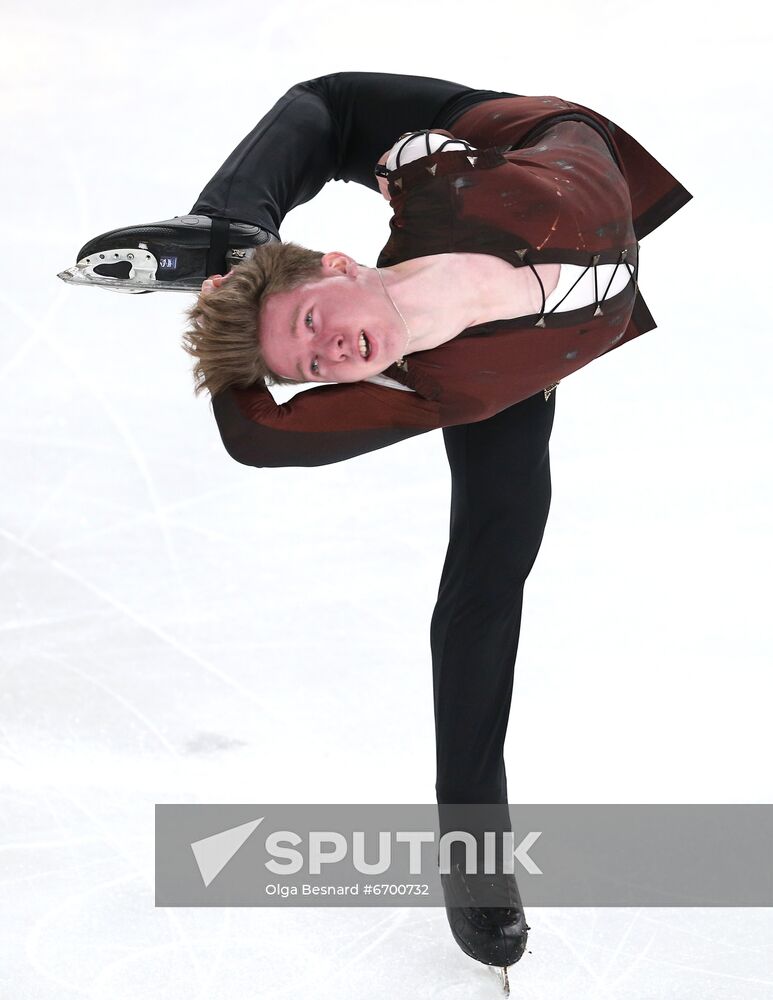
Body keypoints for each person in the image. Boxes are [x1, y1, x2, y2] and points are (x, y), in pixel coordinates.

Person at [58, 71, 692, 979]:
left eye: (312, 320)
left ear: (342, 265)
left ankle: (225, 234)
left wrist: (235, 259)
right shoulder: (423, 386)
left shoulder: (447, 175)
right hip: (510, 374)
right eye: (308, 364)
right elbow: (261, 442)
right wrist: (239, 344)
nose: (330, 355)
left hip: (521, 139)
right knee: (485, 587)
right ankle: (474, 854)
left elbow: (328, 111)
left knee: (325, 109)